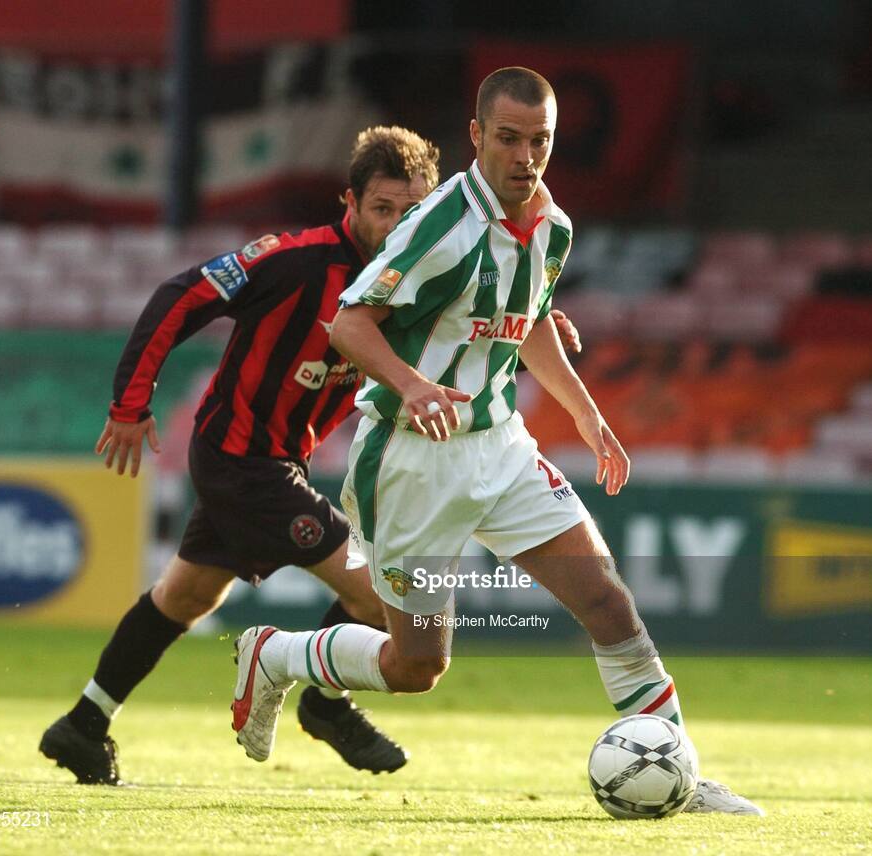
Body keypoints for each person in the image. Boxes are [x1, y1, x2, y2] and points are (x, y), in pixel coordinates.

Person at [230, 68, 764, 815]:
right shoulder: (440, 225)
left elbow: (528, 319)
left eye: (539, 140)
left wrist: (585, 413)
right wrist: (412, 385)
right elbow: (350, 322)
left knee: (608, 601)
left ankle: (678, 773)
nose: (525, 155)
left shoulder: (554, 225)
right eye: (508, 138)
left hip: (500, 446)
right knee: (418, 666)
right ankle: (276, 654)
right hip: (413, 459)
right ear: (477, 136)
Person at [39, 125, 582, 786]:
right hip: (240, 459)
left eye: (412, 212)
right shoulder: (293, 261)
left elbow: (490, 316)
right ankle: (327, 704)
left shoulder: (427, 274)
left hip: (277, 463)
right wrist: (130, 404)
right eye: (382, 209)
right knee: (380, 594)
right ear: (347, 203)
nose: (397, 225)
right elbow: (181, 295)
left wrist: (537, 318)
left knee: (184, 597)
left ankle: (83, 725)